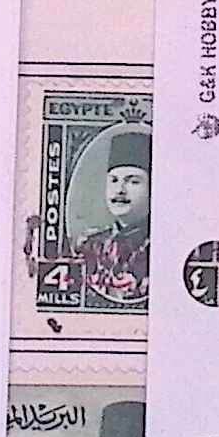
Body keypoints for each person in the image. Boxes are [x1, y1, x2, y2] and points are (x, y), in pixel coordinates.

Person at [74, 126, 150, 304]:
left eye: (133, 181)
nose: (120, 190)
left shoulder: (162, 246)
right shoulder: (90, 246)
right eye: (114, 180)